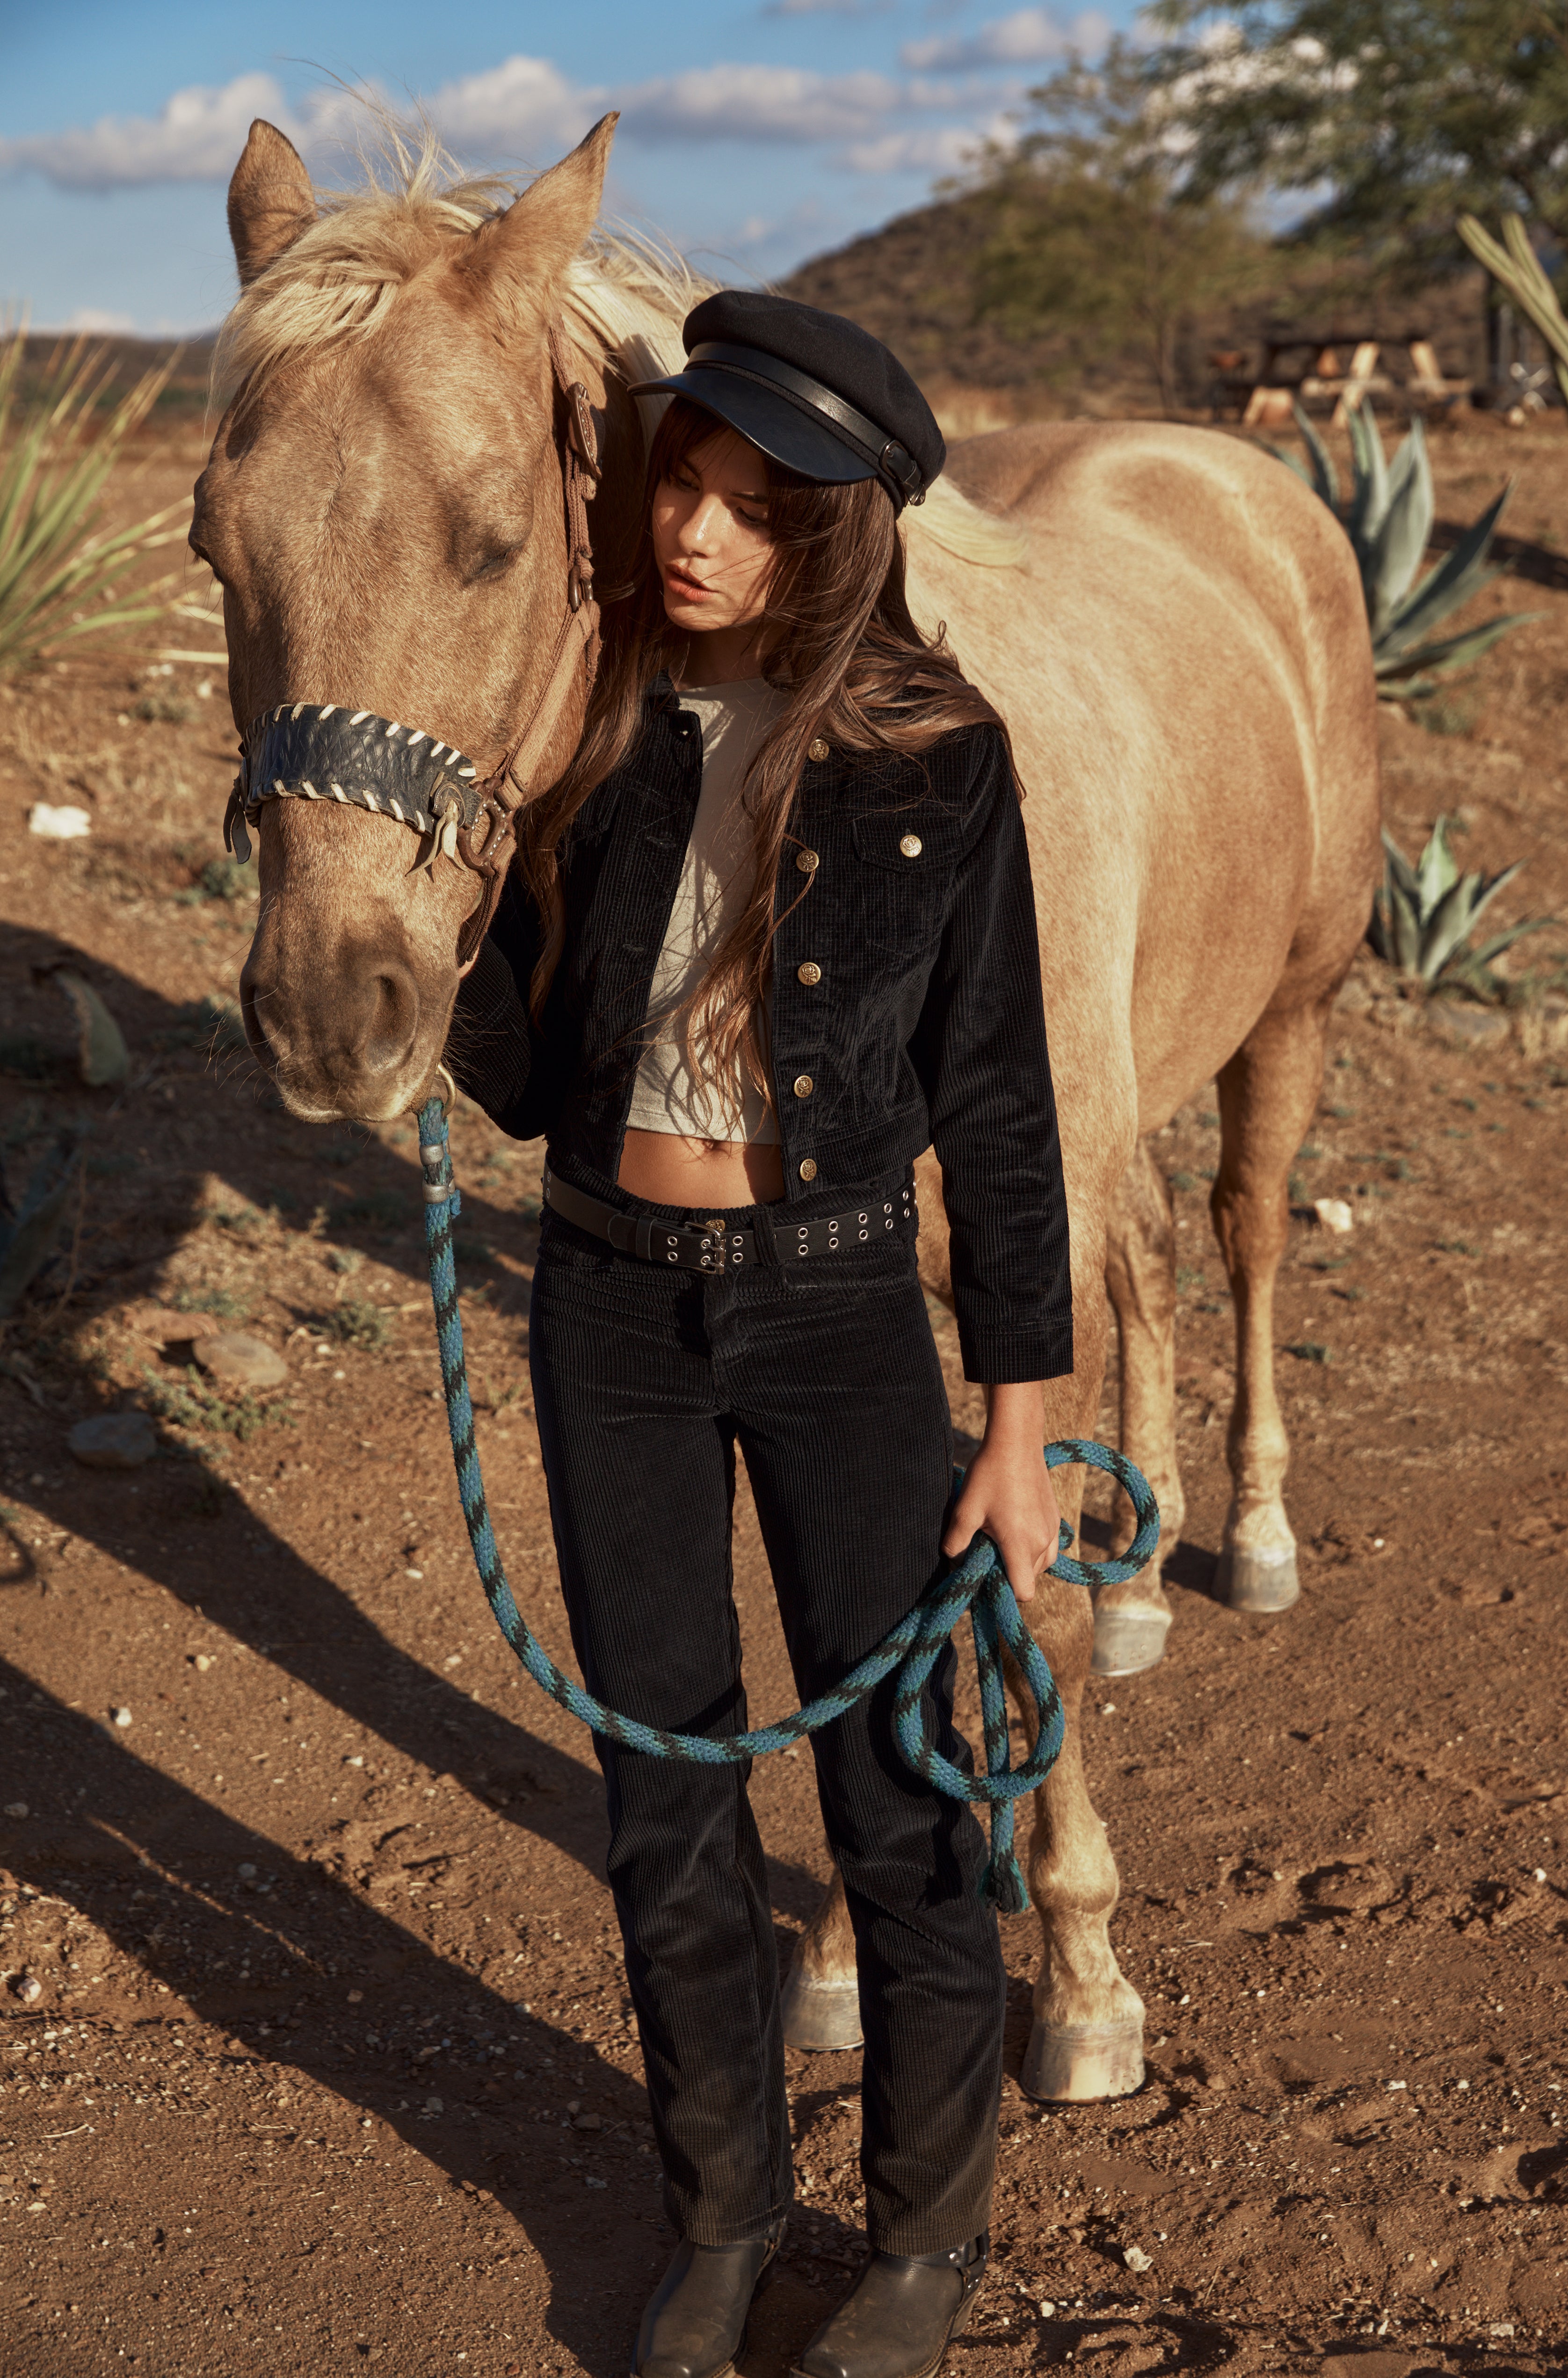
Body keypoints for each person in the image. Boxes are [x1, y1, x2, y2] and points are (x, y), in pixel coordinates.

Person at [448, 290, 1073, 2378]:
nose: (695, 532)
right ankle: (722, 2209)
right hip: (605, 1300)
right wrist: (428, 918)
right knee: (662, 1791)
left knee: (902, 1793)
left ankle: (921, 2242)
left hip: (831, 1315)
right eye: (679, 485)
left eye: (748, 502)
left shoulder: (936, 751)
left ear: (837, 530)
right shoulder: (599, 730)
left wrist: (1022, 1415)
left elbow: (994, 1098)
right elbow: (532, 1081)